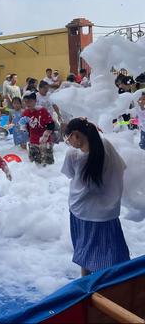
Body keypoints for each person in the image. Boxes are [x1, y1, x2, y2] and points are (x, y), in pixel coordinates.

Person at [62, 118, 130, 276]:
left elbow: (69, 174)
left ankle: (86, 285)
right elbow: (122, 167)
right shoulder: (105, 145)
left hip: (82, 212)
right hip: (107, 214)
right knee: (111, 256)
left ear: (76, 135)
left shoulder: (73, 155)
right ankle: (111, 287)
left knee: (85, 251)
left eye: (68, 138)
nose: (68, 142)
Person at [22, 91, 55, 166]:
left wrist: (45, 136)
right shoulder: (25, 113)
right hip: (33, 142)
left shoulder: (42, 111)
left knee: (49, 165)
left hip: (45, 142)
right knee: (34, 165)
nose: (28, 104)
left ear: (35, 101)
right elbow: (26, 127)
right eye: (26, 102)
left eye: (30, 101)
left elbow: (51, 125)